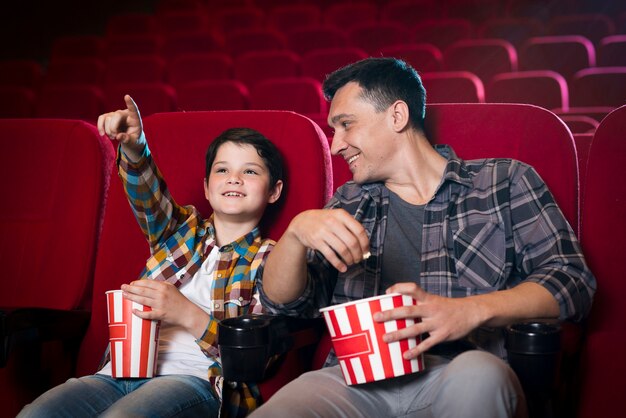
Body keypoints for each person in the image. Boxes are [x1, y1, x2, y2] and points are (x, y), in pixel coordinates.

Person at [250, 58, 596, 418]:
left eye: (346, 125)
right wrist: (294, 234)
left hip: (462, 369)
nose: (336, 145)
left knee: (478, 377)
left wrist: (469, 312)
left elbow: (572, 280)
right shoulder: (348, 202)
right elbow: (283, 303)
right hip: (358, 382)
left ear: (397, 116)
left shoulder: (503, 181)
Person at [19, 95, 284, 418]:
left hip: (196, 380)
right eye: (222, 169)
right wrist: (134, 146)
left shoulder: (272, 259)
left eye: (251, 172)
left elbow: (257, 359)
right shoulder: (179, 232)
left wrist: (185, 312)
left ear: (274, 191)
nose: (234, 178)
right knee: (37, 414)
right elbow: (147, 197)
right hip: (119, 372)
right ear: (206, 186)